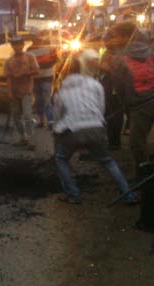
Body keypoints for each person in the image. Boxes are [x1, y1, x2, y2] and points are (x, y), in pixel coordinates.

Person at [52, 50, 138, 205]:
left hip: (72, 131)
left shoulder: (61, 90)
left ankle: (73, 194)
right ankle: (128, 195)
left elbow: (57, 118)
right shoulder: (95, 84)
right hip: (96, 128)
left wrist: (57, 133)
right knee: (108, 161)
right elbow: (101, 109)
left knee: (61, 158)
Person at [106, 22, 154, 177]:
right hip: (153, 103)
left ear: (124, 37)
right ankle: (143, 170)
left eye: (116, 37)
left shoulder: (118, 59)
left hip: (137, 106)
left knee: (136, 143)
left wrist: (125, 105)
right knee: (139, 139)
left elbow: (119, 87)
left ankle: (145, 176)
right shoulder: (151, 52)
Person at [5, 36, 39, 148]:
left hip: (27, 91)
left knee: (28, 115)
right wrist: (9, 93)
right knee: (16, 117)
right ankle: (23, 138)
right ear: (12, 46)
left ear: (22, 45)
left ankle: (30, 139)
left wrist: (25, 74)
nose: (17, 47)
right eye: (14, 45)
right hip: (14, 92)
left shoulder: (30, 57)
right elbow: (8, 78)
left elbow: (36, 71)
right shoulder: (9, 61)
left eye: (19, 45)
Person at [29, 32, 58, 128]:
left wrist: (39, 65)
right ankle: (43, 122)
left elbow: (54, 60)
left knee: (46, 100)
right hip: (39, 78)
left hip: (45, 77)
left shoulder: (48, 48)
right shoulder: (30, 50)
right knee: (39, 101)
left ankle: (50, 122)